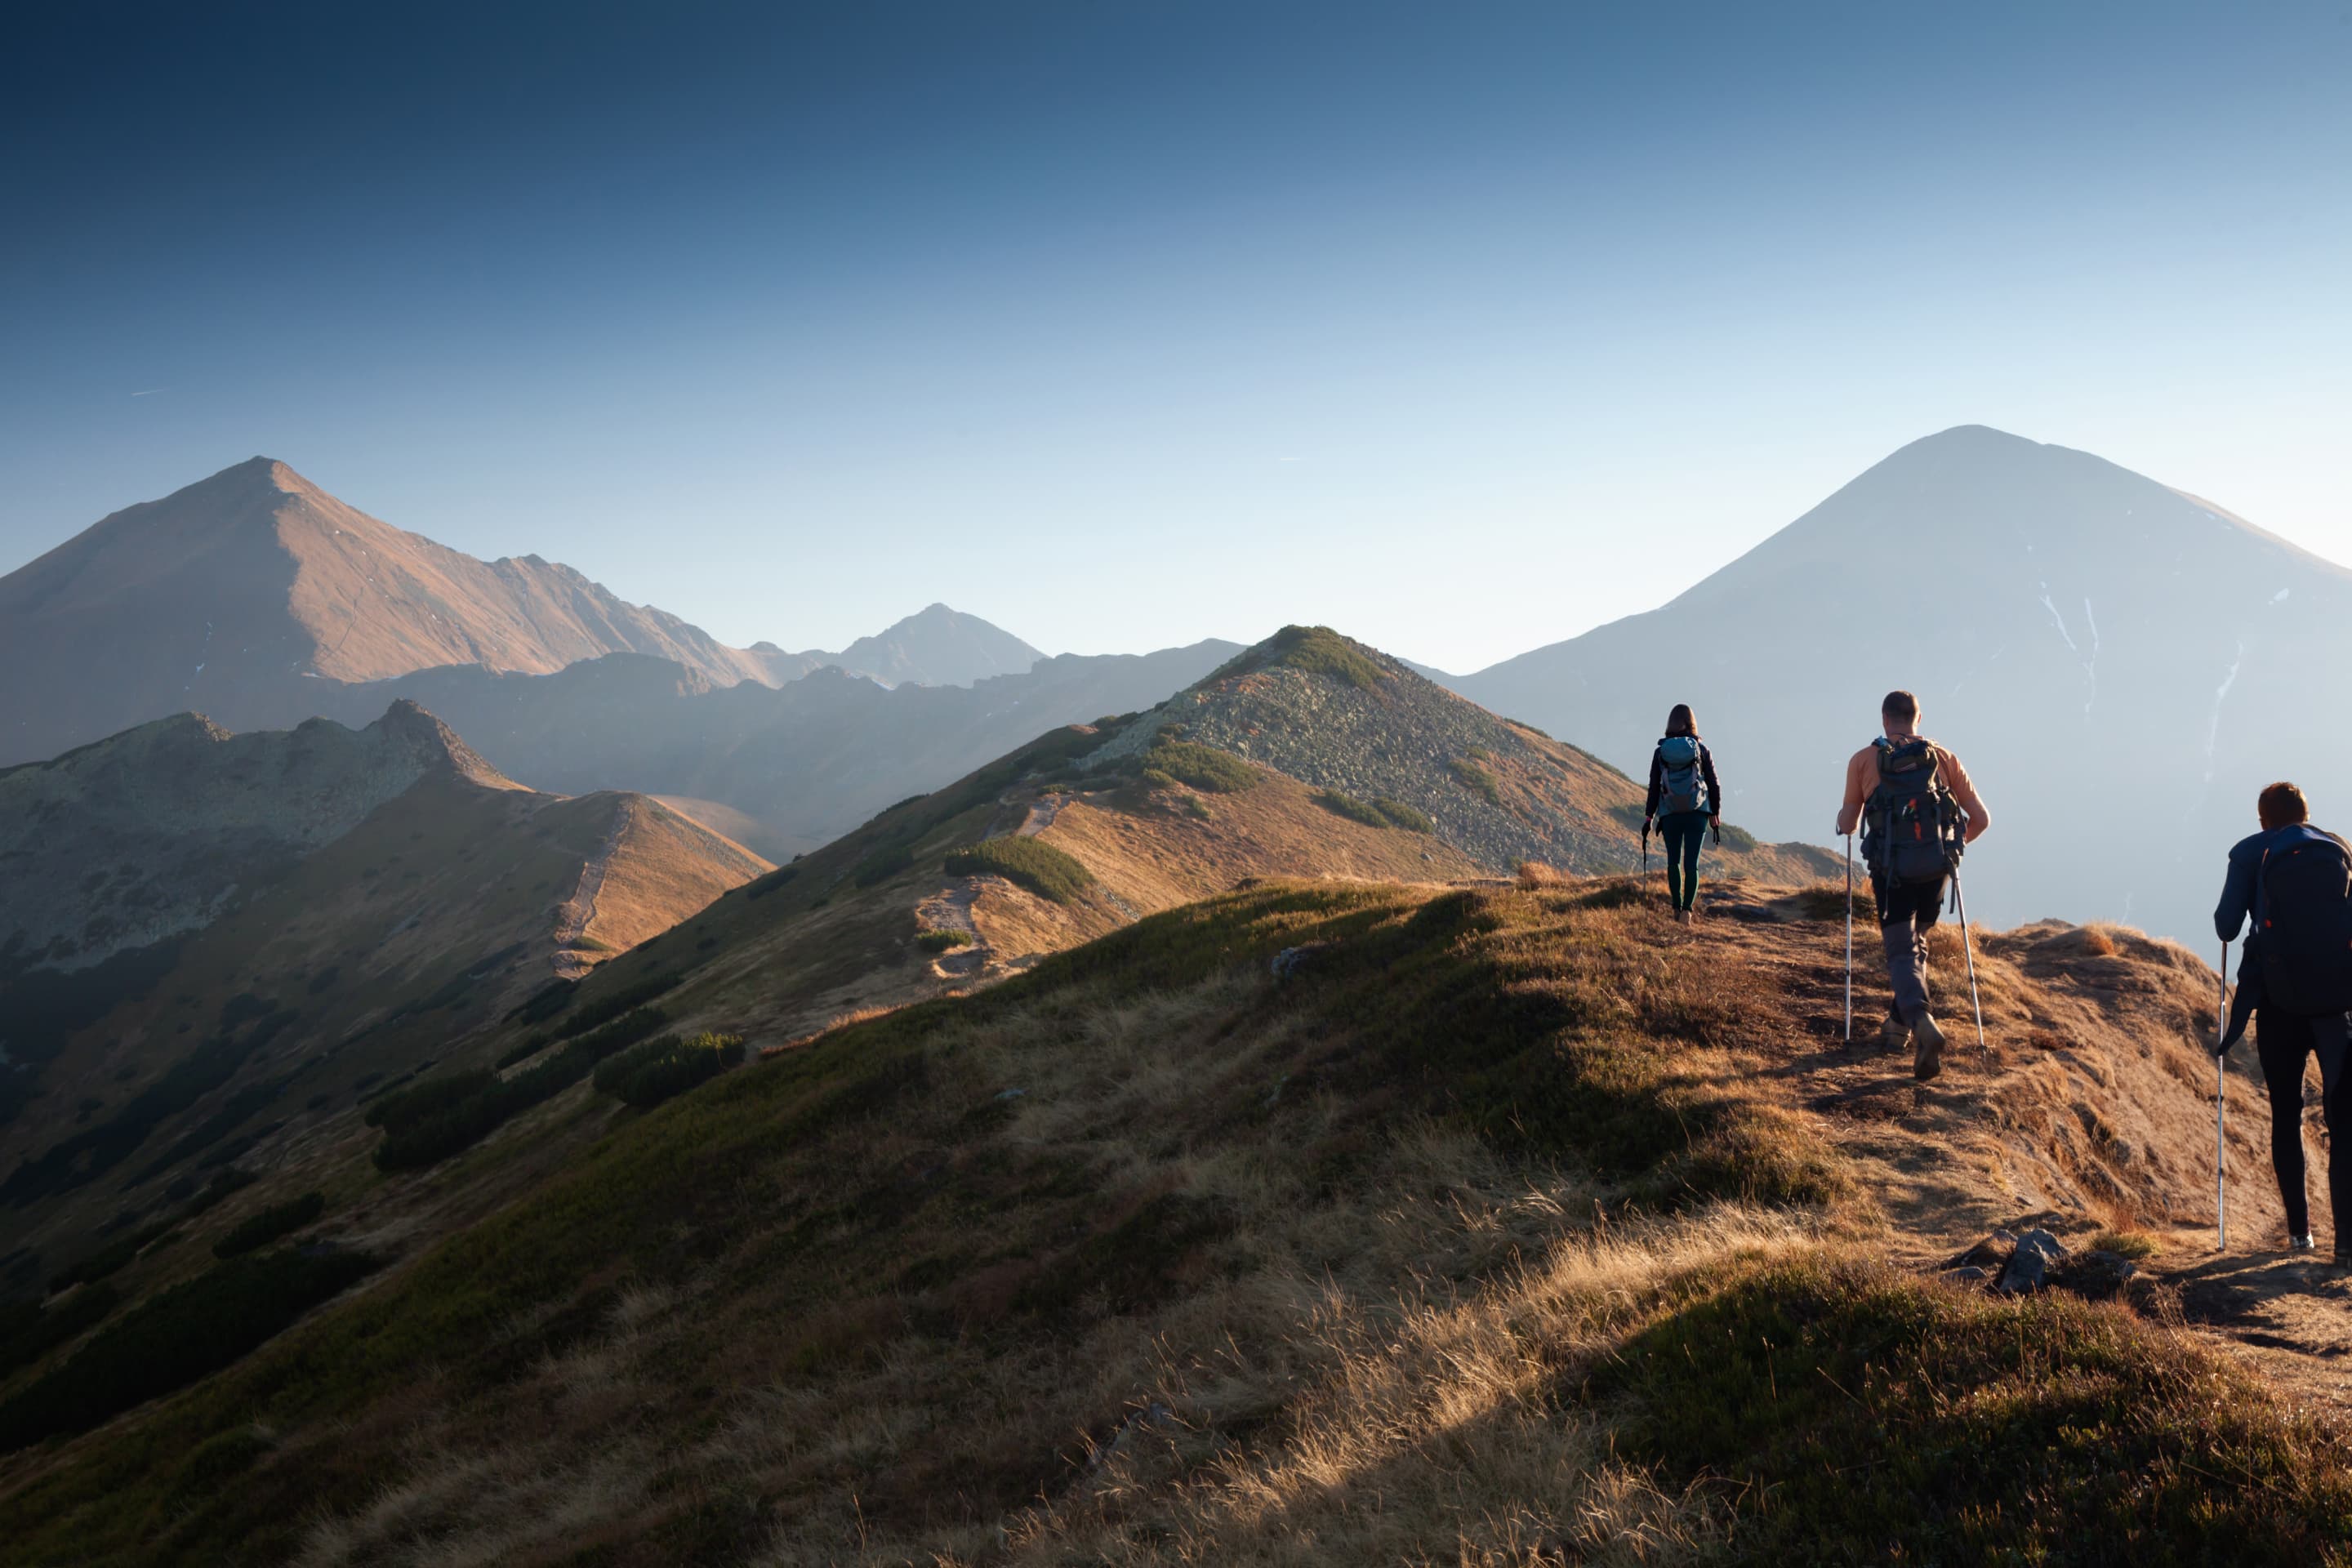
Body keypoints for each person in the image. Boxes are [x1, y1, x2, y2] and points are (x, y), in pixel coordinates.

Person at [2213, 781, 2352, 1258]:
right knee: (2345, 1121)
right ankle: (2348, 1247)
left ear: (2263, 820)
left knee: (2287, 1116)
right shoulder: (2338, 849)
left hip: (2279, 1003)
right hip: (2338, 1005)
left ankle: (2300, 1236)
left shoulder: (2251, 852)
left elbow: (2226, 926)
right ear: (2307, 814)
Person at [1833, 690, 1990, 1080]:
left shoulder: (1864, 760)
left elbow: (1850, 823)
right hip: (1935, 872)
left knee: (1902, 953)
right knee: (1917, 945)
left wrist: (1843, 821)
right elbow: (1981, 818)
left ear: (1885, 718)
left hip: (1893, 872)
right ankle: (1897, 1026)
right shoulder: (1943, 758)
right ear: (1918, 718)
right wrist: (1948, 850)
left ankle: (1921, 1023)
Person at [1643, 703, 1721, 924]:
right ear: (1692, 723)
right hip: (1697, 812)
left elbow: (1654, 786)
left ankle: (1676, 907)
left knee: (1673, 862)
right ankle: (1687, 910)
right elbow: (1714, 784)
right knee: (1691, 864)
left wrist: (1649, 818)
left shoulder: (1661, 752)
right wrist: (1715, 812)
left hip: (1669, 814)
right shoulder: (1701, 749)